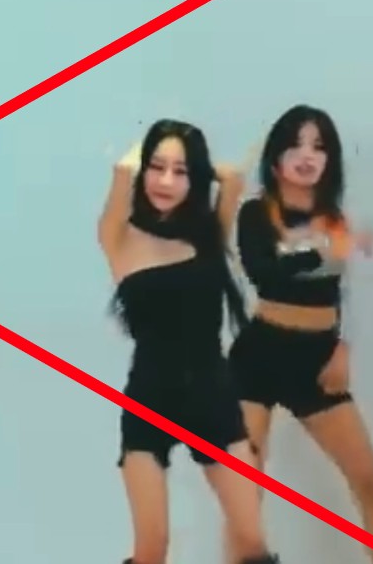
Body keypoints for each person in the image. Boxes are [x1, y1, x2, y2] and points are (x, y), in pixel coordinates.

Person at [97, 119, 279, 564]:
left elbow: (232, 179)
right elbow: (122, 172)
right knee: (152, 549)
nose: (165, 181)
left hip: (213, 395)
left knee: (251, 541)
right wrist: (146, 160)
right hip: (149, 397)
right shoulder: (119, 236)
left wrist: (201, 167)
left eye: (180, 172)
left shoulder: (208, 232)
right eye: (157, 167)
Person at [226, 105, 373, 564]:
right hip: (259, 358)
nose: (307, 155)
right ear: (276, 157)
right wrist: (323, 249)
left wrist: (344, 348)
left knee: (369, 483)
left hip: (318, 360)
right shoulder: (255, 213)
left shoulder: (336, 218)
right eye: (296, 144)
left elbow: (352, 290)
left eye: (319, 147)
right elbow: (265, 273)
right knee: (245, 493)